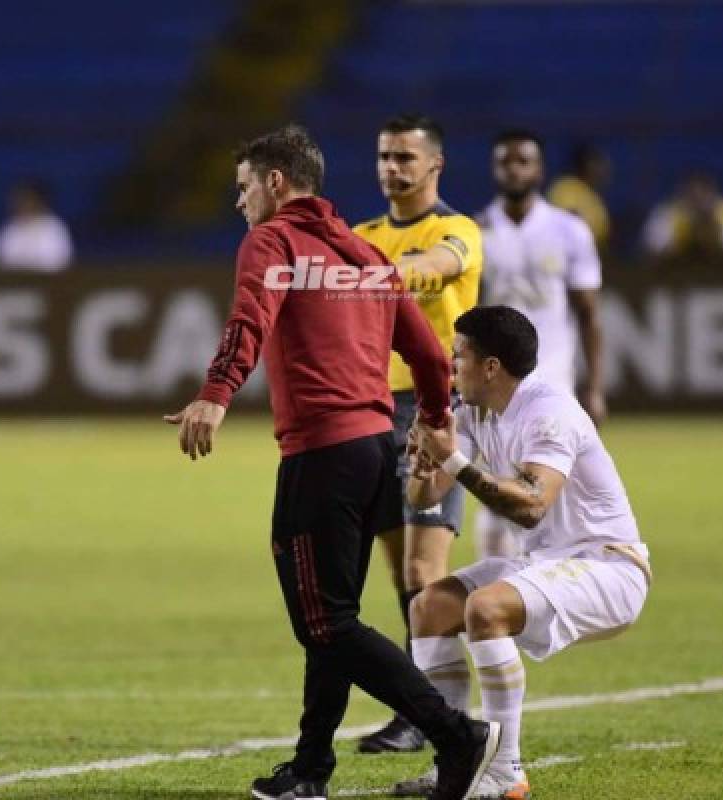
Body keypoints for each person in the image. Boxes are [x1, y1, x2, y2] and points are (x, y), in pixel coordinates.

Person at [164, 125, 500, 800]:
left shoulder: (272, 241)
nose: (240, 203)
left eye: (244, 187)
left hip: (322, 454)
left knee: (325, 623)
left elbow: (249, 318)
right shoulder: (366, 253)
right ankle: (310, 769)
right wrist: (434, 422)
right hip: (377, 449)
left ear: (276, 183)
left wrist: (215, 393)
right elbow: (432, 356)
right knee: (332, 615)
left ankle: (455, 733)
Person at [393, 305, 651, 799]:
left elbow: (532, 506)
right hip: (548, 563)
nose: (451, 366)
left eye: (459, 355)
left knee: (484, 608)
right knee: (429, 607)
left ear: (491, 367)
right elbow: (423, 497)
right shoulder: (471, 413)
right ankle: (458, 761)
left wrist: (454, 461)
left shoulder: (549, 411)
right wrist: (423, 464)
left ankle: (505, 771)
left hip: (609, 564)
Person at [352, 114, 482, 754]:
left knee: (426, 570)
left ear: (436, 164)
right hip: (376, 412)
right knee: (403, 576)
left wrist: (376, 272)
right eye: (383, 157)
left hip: (438, 412)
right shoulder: (361, 234)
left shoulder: (456, 230)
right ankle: (421, 710)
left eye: (405, 157)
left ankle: (433, 717)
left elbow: (436, 266)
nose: (391, 169)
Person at [474, 129, 606, 560]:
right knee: (497, 494)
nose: (514, 169)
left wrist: (596, 386)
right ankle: (497, 602)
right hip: (496, 386)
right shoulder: (475, 232)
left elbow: (588, 314)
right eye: (505, 161)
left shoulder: (570, 231)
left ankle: (541, 596)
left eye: (523, 161)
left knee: (550, 496)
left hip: (553, 381)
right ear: (494, 169)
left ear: (540, 168)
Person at [641, 171, 723, 261]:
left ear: (712, 193)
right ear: (683, 194)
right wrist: (686, 231)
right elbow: (653, 248)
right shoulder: (669, 212)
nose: (698, 200)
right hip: (676, 272)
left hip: (721, 272)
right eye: (692, 194)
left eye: (703, 194)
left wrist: (713, 227)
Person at [0, 179, 74, 272]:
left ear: (39, 201)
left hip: (48, 282)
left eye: (27, 200)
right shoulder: (9, 227)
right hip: (12, 282)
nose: (22, 205)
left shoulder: (55, 227)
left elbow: (61, 263)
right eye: (19, 200)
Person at [546, 142, 613, 253]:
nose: (601, 170)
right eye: (596, 164)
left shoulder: (595, 197)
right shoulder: (566, 187)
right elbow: (564, 225)